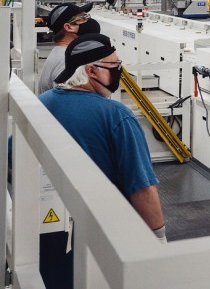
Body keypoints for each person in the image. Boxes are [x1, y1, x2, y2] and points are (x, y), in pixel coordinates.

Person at [39, 34, 166, 241]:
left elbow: (12, 157)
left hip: (50, 226)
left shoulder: (41, 103)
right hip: (106, 233)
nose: (119, 71)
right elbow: (142, 188)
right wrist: (159, 238)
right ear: (91, 70)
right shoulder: (117, 116)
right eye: (114, 65)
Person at [38, 2, 99, 94]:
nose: (89, 21)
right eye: (83, 18)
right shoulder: (68, 62)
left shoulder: (61, 53)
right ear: (69, 27)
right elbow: (71, 104)